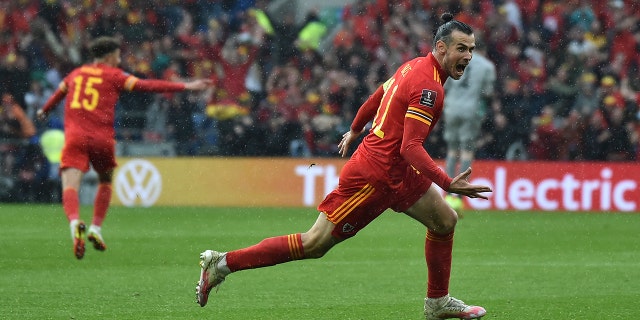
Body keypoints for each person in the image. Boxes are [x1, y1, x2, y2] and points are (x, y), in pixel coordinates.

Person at [195, 13, 492, 320]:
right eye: (461, 49)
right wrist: (447, 183)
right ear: (441, 48)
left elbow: (379, 94)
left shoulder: (413, 66)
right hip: (374, 175)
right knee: (315, 243)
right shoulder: (430, 88)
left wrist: (355, 127)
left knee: (445, 220)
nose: (468, 56)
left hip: (397, 170)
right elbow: (410, 146)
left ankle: (437, 302)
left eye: (471, 49)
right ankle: (221, 264)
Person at [37, 36, 212, 260]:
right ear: (110, 56)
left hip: (75, 137)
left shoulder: (76, 74)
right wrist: (185, 85)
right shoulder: (114, 75)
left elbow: (58, 94)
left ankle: (74, 224)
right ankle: (95, 228)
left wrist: (44, 110)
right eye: (118, 56)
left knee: (70, 185)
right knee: (105, 181)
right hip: (102, 139)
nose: (119, 61)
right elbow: (147, 86)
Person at [442, 40, 496, 217]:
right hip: (470, 110)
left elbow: (446, 84)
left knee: (451, 151)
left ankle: (448, 194)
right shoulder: (486, 66)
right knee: (466, 152)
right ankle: (458, 197)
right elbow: (487, 92)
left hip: (451, 108)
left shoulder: (456, 59)